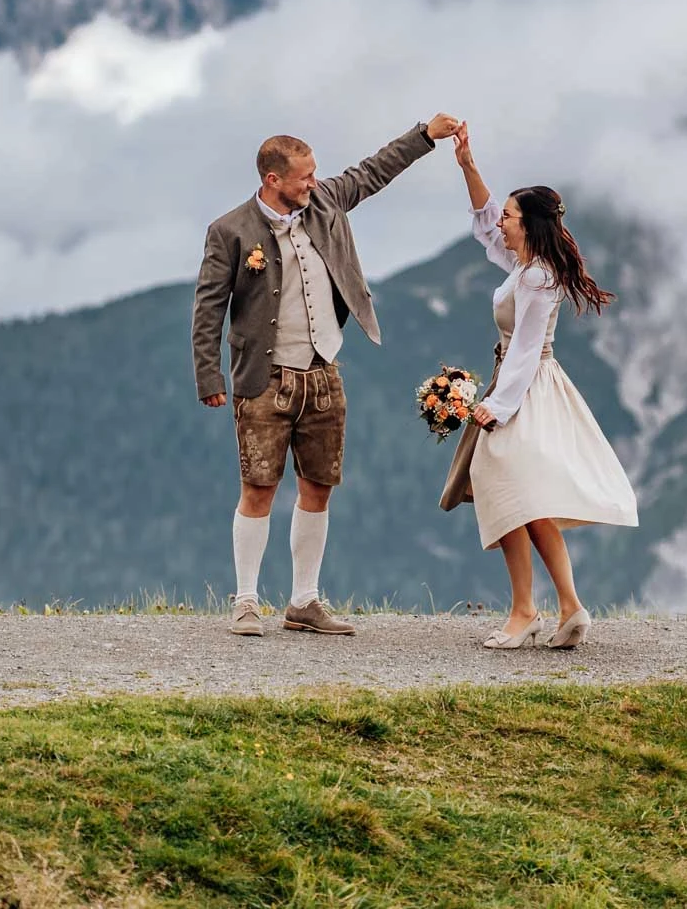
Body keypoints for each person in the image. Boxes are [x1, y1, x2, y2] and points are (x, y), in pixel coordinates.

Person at [194, 115, 464, 637]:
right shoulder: (229, 231)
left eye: (315, 173)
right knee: (258, 488)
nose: (313, 183)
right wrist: (210, 377)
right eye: (304, 177)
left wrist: (424, 136)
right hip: (263, 379)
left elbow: (374, 171)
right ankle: (246, 601)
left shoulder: (326, 202)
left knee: (318, 487)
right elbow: (208, 309)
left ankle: (304, 601)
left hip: (323, 372)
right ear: (273, 179)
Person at [441, 124, 638, 649]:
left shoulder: (535, 277)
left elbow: (528, 347)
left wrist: (498, 406)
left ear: (527, 224)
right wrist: (468, 167)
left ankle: (525, 611)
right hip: (518, 381)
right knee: (526, 497)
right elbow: (485, 224)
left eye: (509, 216)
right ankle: (569, 607)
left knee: (502, 483)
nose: (501, 222)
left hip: (527, 387)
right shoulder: (525, 264)